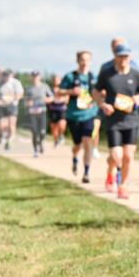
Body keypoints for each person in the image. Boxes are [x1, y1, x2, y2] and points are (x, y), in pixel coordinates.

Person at [95, 44, 139, 199]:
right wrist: (103, 104)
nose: (123, 59)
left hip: (131, 120)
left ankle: (123, 186)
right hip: (113, 121)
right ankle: (111, 171)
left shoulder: (136, 75)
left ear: (130, 58)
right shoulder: (107, 74)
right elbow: (96, 92)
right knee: (117, 156)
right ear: (115, 57)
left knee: (128, 156)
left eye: (126, 56)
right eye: (120, 56)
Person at [59, 51, 98, 183]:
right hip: (74, 115)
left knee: (88, 141)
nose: (84, 62)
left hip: (89, 114)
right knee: (78, 145)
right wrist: (70, 91)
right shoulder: (70, 77)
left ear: (90, 61)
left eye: (87, 60)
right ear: (77, 61)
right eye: (82, 60)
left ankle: (86, 172)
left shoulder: (94, 77)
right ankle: (75, 157)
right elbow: (58, 91)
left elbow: (100, 92)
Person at [24, 71, 52, 157]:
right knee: (35, 132)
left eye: (37, 76)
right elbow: (25, 100)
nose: (35, 78)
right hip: (32, 113)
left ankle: (40, 142)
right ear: (31, 77)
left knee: (43, 132)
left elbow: (51, 97)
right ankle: (35, 150)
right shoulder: (29, 88)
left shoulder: (45, 86)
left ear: (40, 77)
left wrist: (46, 100)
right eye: (33, 76)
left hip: (42, 111)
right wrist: (28, 103)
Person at [0, 70, 24, 151]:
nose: (6, 77)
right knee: (2, 125)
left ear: (11, 75)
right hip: (1, 107)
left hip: (12, 106)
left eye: (8, 75)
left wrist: (11, 99)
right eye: (5, 75)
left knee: (11, 125)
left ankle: (9, 142)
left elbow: (20, 95)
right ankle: (1, 134)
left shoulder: (16, 83)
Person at [48, 74, 68, 147]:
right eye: (55, 80)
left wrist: (58, 99)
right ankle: (56, 140)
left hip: (62, 109)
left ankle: (61, 135)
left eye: (58, 79)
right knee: (54, 128)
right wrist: (52, 99)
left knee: (62, 124)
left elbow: (67, 99)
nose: (56, 81)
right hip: (53, 110)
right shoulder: (50, 90)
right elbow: (47, 99)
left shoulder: (64, 89)